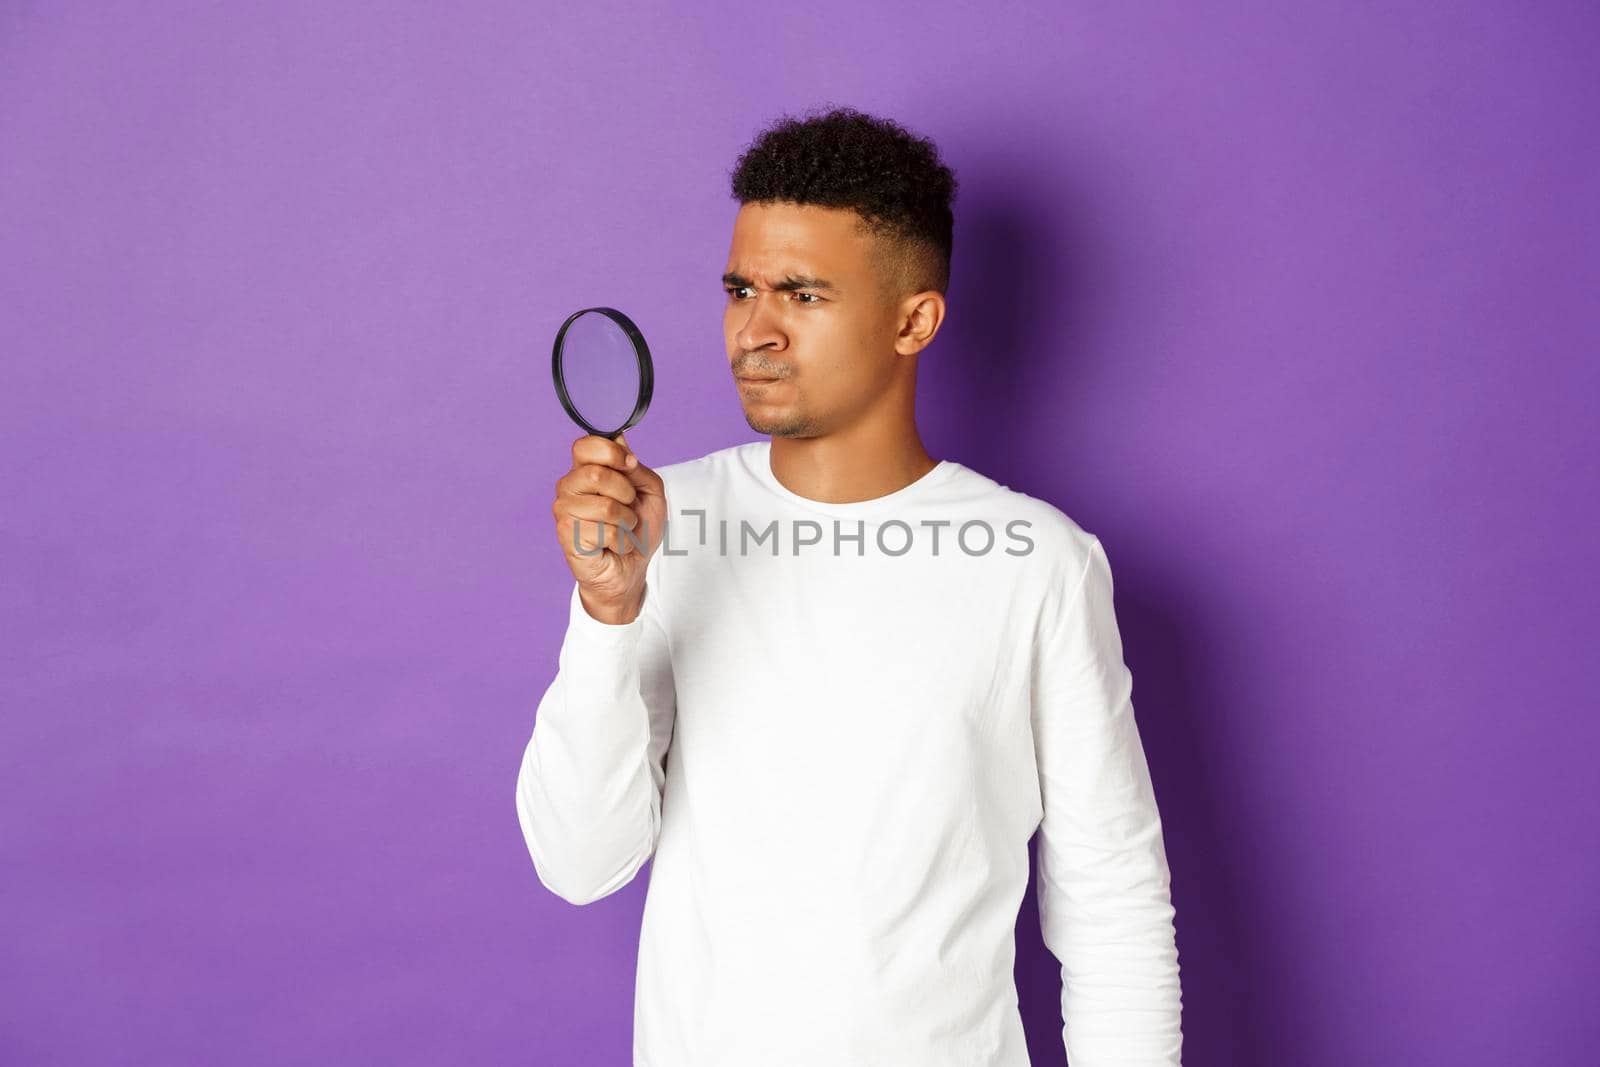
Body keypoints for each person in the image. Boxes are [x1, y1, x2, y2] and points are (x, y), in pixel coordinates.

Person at [516, 105, 1183, 1066]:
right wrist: (606, 613)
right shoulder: (667, 523)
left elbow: (1113, 903)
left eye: (803, 294)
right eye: (741, 287)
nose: (756, 329)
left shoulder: (1035, 562)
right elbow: (580, 863)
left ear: (914, 319)